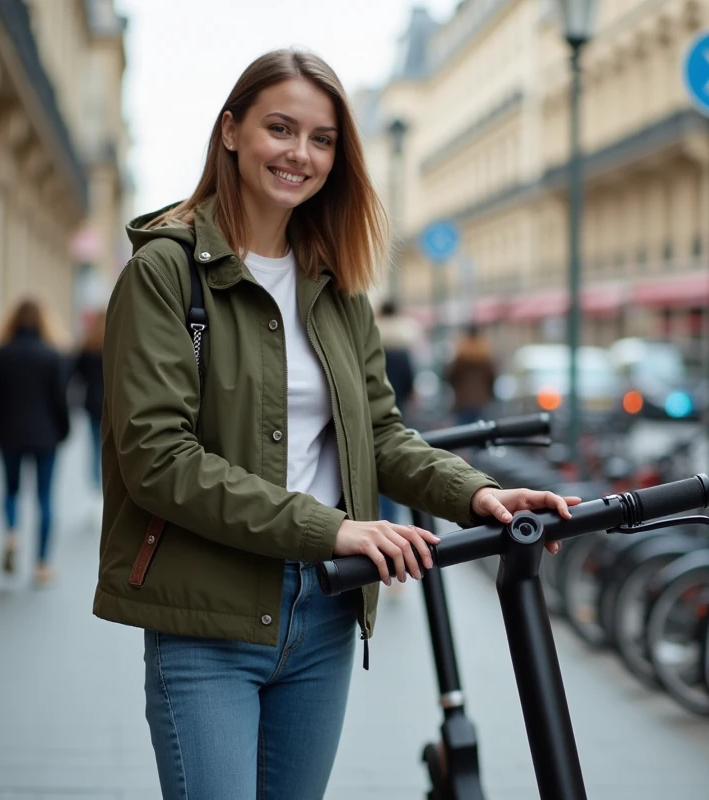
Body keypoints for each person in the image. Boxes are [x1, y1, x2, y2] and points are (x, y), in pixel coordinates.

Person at [93, 48, 579, 800]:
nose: (300, 154)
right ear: (231, 131)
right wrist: (333, 528)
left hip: (323, 616)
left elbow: (379, 432)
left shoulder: (335, 281)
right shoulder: (164, 271)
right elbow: (158, 461)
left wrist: (477, 494)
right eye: (280, 129)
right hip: (207, 622)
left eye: (322, 139)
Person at [0, 298, 71, 587]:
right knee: (44, 497)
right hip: (46, 436)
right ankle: (42, 564)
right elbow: (61, 400)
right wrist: (63, 431)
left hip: (9, 433)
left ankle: (11, 533)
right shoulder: (52, 355)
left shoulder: (2, 353)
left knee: (10, 490)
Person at [375, 299, 416, 526]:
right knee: (395, 460)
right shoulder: (402, 343)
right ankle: (392, 519)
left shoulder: (373, 340)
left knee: (376, 465)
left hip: (372, 410)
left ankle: (380, 517)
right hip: (397, 408)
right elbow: (410, 381)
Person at [72, 309, 106, 494]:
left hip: (93, 402)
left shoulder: (88, 345)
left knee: (94, 445)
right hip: (113, 403)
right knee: (112, 445)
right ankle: (107, 482)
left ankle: (96, 485)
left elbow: (77, 373)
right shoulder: (116, 343)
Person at [444, 323, 498, 426]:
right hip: (482, 400)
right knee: (483, 433)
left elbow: (450, 376)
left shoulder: (461, 354)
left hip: (463, 401)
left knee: (465, 434)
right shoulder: (484, 354)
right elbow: (492, 377)